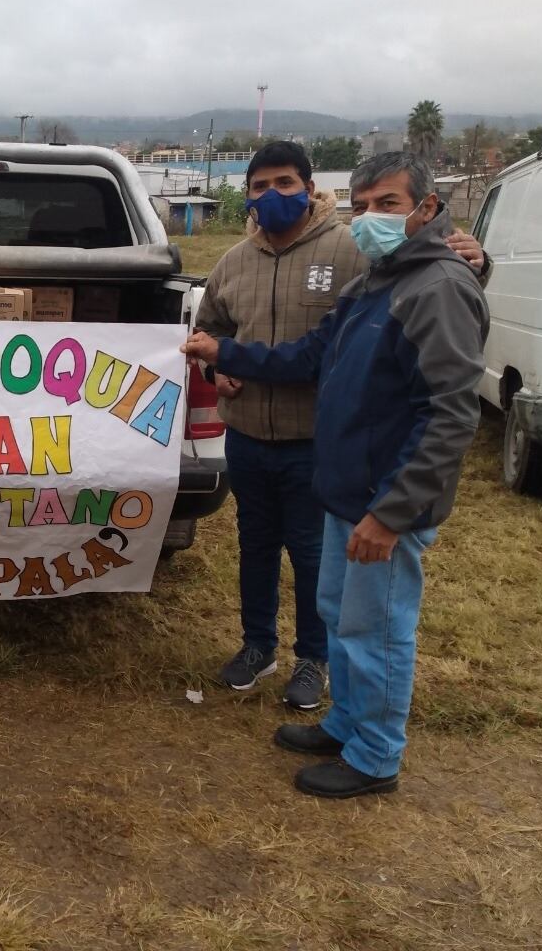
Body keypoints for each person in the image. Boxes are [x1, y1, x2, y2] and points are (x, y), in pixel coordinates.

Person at [183, 152, 489, 798]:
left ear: (427, 211)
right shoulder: (376, 283)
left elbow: (451, 413)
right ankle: (347, 721)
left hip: (382, 500)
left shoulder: (439, 287)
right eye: (363, 205)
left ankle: (375, 759)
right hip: (345, 487)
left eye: (389, 205)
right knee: (341, 613)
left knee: (377, 629)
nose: (372, 218)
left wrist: (393, 512)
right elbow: (308, 355)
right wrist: (223, 353)